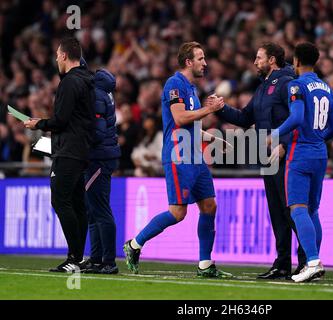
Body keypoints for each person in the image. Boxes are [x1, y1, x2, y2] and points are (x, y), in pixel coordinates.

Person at [123, 42, 232, 278]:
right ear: (188, 62)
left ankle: (205, 265)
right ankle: (134, 245)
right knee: (177, 212)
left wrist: (212, 138)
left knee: (209, 205)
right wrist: (209, 109)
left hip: (195, 156)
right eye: (201, 58)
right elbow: (180, 118)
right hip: (178, 156)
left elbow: (189, 125)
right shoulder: (175, 84)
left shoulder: (191, 88)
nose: (205, 63)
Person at [216, 42, 306, 279]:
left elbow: (298, 116)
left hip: (285, 157)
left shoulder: (287, 82)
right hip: (267, 158)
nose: (255, 62)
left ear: (272, 60)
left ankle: (308, 260)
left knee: (291, 211)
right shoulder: (263, 87)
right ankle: (283, 263)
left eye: (259, 58)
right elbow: (245, 118)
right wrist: (221, 108)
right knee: (277, 213)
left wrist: (285, 143)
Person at [267, 42, 333, 282]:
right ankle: (313, 263)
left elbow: (296, 117)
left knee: (297, 209)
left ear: (296, 61)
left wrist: (275, 134)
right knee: (313, 210)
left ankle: (313, 262)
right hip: (320, 154)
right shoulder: (328, 88)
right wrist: (318, 137)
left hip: (300, 154)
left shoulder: (296, 85)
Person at [24, 37, 95, 272]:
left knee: (60, 200)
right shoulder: (87, 80)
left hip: (68, 151)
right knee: (76, 203)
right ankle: (77, 257)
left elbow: (61, 120)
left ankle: (74, 257)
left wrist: (38, 123)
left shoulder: (69, 82)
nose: (55, 58)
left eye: (57, 54)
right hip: (80, 150)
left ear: (64, 56)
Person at [83, 65, 121, 274]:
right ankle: (97, 259)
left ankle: (108, 261)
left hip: (98, 157)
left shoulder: (96, 95)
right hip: (102, 156)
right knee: (93, 210)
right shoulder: (104, 93)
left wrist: (80, 143)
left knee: (100, 209)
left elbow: (97, 133)